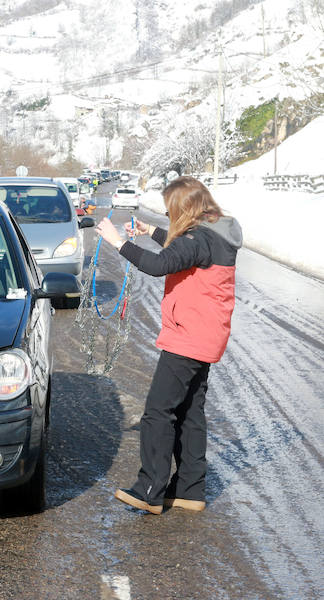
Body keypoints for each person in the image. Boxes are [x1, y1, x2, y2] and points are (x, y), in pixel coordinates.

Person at [95, 176, 242, 514]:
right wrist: (153, 232)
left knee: (158, 412)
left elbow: (160, 265)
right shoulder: (215, 232)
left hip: (188, 338)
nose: (168, 214)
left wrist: (119, 243)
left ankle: (150, 488)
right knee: (190, 412)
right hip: (206, 336)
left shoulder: (196, 239)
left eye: (169, 210)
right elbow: (182, 253)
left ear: (183, 208)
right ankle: (191, 489)